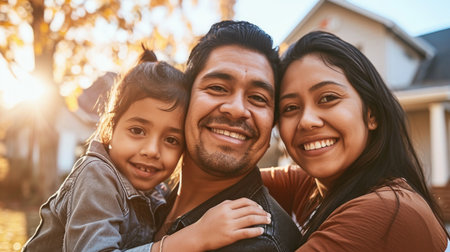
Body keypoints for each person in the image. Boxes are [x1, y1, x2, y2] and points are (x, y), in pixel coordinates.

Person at [23, 48, 271, 252]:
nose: (152, 150)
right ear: (110, 128)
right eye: (138, 131)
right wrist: (193, 238)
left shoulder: (157, 193)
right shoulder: (97, 177)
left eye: (171, 140)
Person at [261, 31, 449, 251]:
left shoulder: (385, 212)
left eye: (328, 98)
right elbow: (222, 180)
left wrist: (207, 238)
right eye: (290, 108)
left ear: (372, 114)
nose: (307, 121)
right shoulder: (312, 186)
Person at [152, 20, 301, 251]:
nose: (237, 109)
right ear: (184, 98)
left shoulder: (257, 242)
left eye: (258, 98)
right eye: (218, 88)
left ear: (273, 123)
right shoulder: (148, 198)